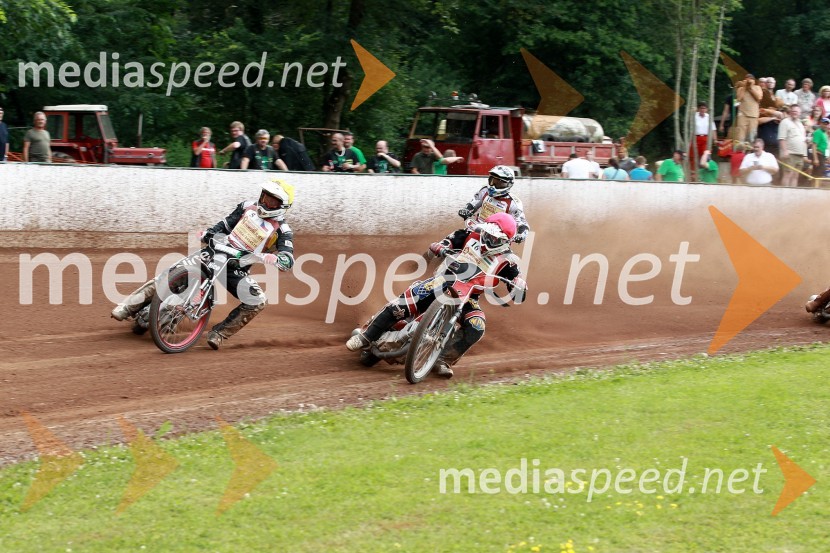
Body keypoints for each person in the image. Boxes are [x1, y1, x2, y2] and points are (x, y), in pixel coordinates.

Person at [111, 180, 296, 349]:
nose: (265, 202)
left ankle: (219, 334)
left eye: (272, 201)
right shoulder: (247, 206)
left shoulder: (283, 230)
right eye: (265, 196)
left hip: (237, 268)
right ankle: (127, 307)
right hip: (215, 252)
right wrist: (209, 233)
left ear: (282, 207)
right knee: (170, 275)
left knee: (257, 301)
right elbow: (224, 224)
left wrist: (278, 259)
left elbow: (288, 257)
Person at [346, 212, 527, 378]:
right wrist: (441, 246)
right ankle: (367, 336)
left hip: (468, 297)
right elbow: (448, 242)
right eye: (488, 234)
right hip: (444, 280)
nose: (488, 240)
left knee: (477, 326)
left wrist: (519, 285)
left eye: (495, 239)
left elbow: (517, 291)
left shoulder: (509, 262)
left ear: (506, 241)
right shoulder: (469, 234)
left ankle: (443, 359)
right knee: (411, 296)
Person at [450, 165, 530, 245]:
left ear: (509, 184)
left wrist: (521, 235)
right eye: (493, 181)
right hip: (476, 229)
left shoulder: (514, 203)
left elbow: (522, 224)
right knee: (454, 237)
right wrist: (466, 210)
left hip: (497, 240)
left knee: (506, 256)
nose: (493, 186)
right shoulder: (485, 191)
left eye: (499, 183)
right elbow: (473, 203)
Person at [778, 105, 807, 187]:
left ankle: (792, 195)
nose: (795, 113)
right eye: (793, 111)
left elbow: (803, 140)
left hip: (800, 154)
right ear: (790, 112)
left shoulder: (800, 124)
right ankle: (785, 194)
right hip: (790, 153)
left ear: (800, 113)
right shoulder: (785, 122)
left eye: (797, 111)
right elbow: (781, 138)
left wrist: (804, 155)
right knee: (788, 174)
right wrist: (785, 151)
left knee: (795, 176)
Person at [735, 74, 763, 143]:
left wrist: (750, 88)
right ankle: (740, 152)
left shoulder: (758, 88)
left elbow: (759, 98)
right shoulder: (740, 89)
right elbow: (738, 100)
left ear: (754, 81)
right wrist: (745, 87)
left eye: (750, 79)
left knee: (751, 137)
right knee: (740, 136)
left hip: (753, 115)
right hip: (742, 115)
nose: (748, 81)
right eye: (746, 79)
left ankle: (750, 151)